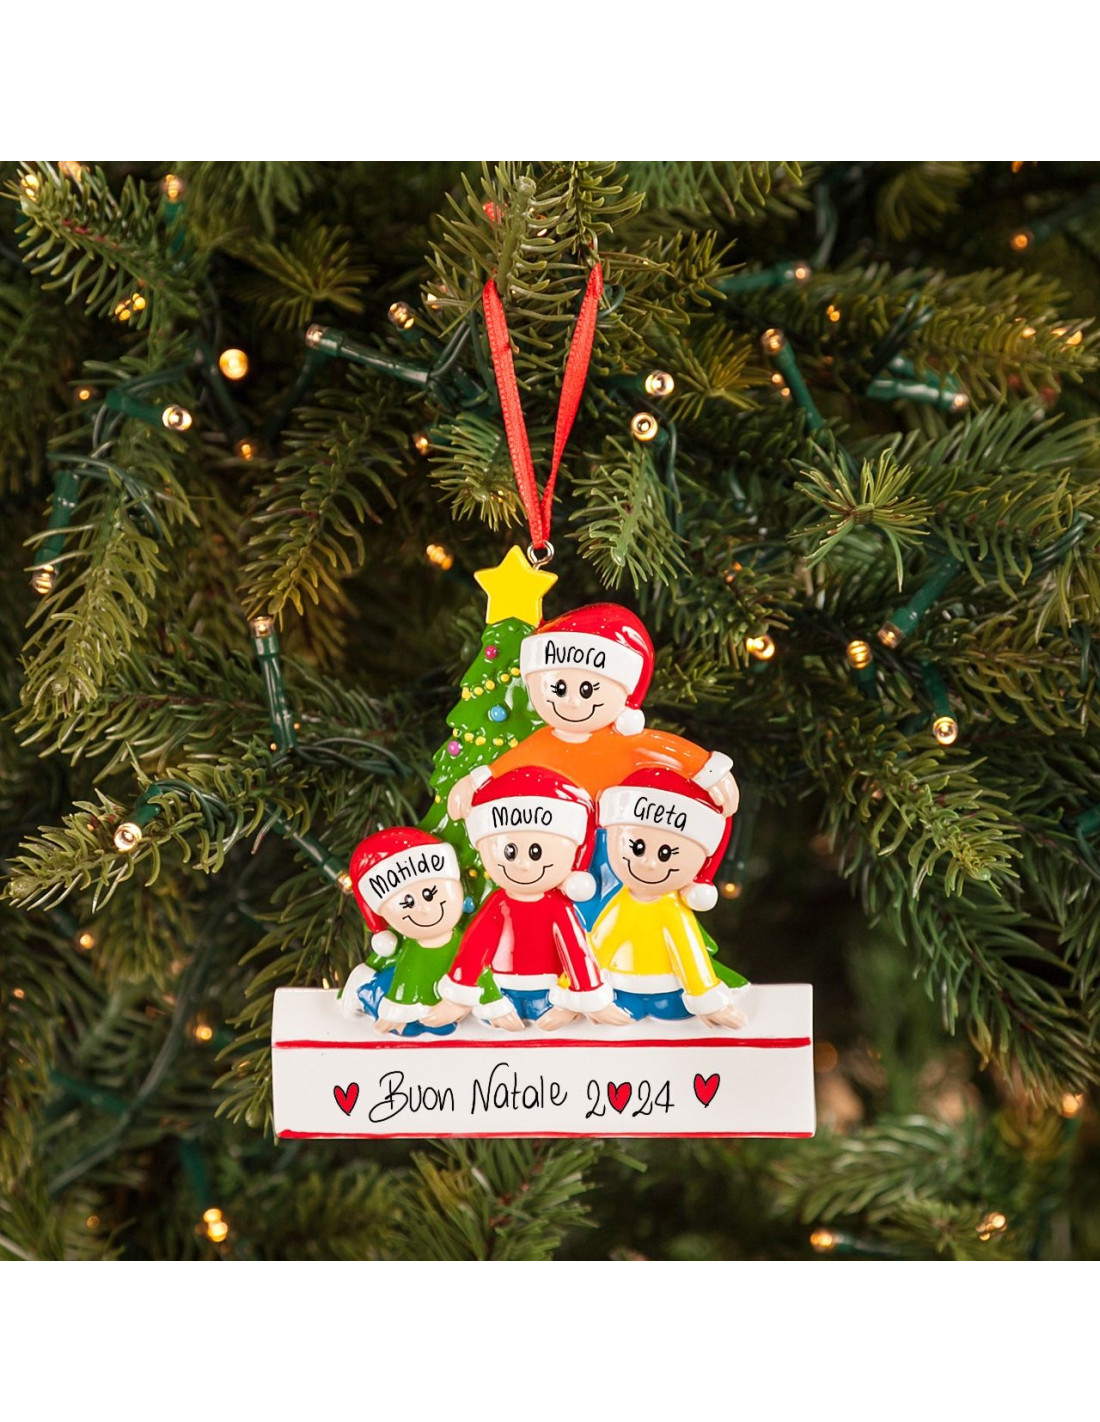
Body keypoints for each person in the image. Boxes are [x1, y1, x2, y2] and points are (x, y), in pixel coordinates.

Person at [444, 604, 738, 922]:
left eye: (587, 689)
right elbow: (504, 767)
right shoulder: (543, 743)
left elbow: (671, 751)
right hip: (564, 845)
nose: (572, 701)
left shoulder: (627, 742)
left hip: (619, 840)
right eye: (559, 688)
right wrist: (472, 782)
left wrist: (713, 773)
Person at [423, 767, 629, 1031]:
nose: (522, 864)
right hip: (503, 987)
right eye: (510, 852)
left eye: (535, 852)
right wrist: (459, 996)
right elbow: (475, 947)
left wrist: (588, 998)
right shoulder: (499, 904)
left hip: (548, 993)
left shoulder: (559, 906)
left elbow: (576, 952)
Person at [591, 767, 750, 1027]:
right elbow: (599, 947)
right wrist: (584, 996)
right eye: (638, 848)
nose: (649, 863)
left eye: (665, 854)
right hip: (621, 992)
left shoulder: (673, 911)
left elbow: (689, 955)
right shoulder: (620, 904)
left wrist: (708, 1001)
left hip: (670, 998)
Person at [339, 826, 521, 1035]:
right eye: (407, 903)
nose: (424, 908)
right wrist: (394, 1015)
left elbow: (480, 973)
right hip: (421, 1009)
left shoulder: (465, 942)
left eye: (429, 894)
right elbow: (404, 982)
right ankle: (368, 993)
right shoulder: (410, 950)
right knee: (413, 1027)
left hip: (452, 1010)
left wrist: (492, 1006)